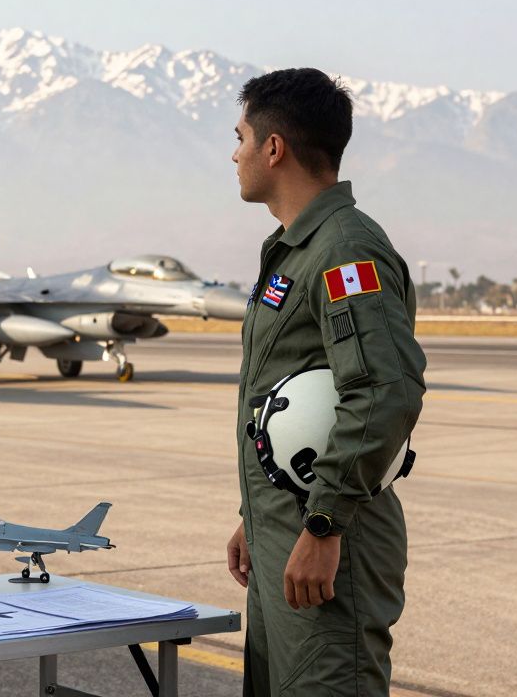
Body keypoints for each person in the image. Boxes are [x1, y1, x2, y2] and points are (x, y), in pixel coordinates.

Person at [225, 68, 427, 695]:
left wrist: (324, 526)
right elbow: (288, 395)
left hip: (331, 536)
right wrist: (254, 515)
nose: (235, 155)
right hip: (288, 528)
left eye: (240, 138)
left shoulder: (344, 250)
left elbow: (384, 390)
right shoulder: (295, 248)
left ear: (274, 148)